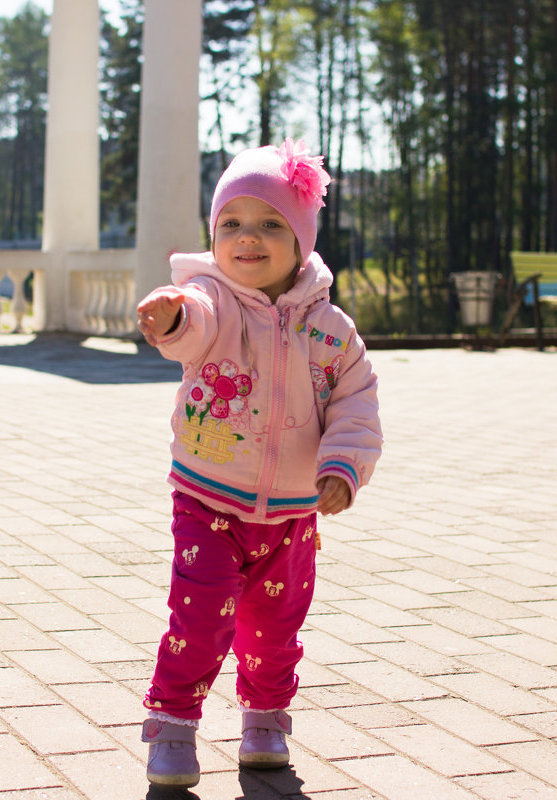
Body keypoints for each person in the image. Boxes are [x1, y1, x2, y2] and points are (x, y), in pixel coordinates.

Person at [135, 138, 384, 788]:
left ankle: (265, 719)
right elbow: (194, 325)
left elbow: (357, 403)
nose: (250, 238)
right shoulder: (212, 300)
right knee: (201, 610)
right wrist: (171, 318)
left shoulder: (330, 330)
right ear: (213, 237)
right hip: (208, 498)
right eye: (233, 225)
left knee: (276, 626)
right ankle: (173, 726)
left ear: (301, 241)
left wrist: (341, 467)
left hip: (293, 511)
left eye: (272, 224)